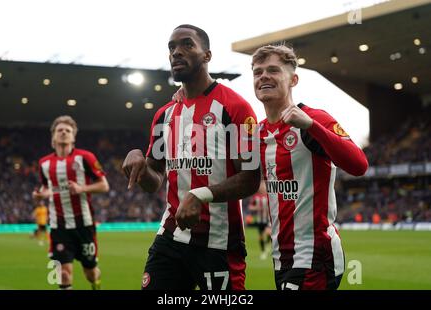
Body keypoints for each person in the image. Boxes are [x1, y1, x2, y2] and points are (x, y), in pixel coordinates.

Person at [122, 24, 260, 290]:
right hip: (171, 238)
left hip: (219, 243)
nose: (176, 52)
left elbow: (251, 179)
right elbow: (154, 181)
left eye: (187, 45)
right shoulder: (164, 116)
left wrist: (201, 194)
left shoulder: (236, 108)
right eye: (172, 48)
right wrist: (137, 161)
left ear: (207, 56)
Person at [252, 45, 368, 290]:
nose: (263, 76)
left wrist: (312, 126)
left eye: (273, 70)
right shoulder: (258, 133)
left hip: (315, 255)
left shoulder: (314, 118)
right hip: (281, 256)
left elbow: (359, 165)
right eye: (257, 72)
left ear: (293, 79)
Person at [32, 115, 109, 290]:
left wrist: (82, 189)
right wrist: (40, 195)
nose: (64, 133)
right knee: (64, 273)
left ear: (73, 137)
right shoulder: (44, 163)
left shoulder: (86, 157)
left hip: (84, 225)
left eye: (68, 130)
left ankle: (96, 284)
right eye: (60, 130)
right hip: (59, 227)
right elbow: (46, 188)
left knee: (90, 273)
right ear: (53, 137)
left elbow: (104, 186)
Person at [248, 180, 271, 260]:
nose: (262, 188)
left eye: (263, 186)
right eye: (261, 186)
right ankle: (263, 250)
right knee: (261, 236)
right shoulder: (256, 197)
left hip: (268, 219)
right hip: (260, 219)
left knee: (268, 232)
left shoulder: (269, 196)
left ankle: (267, 245)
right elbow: (250, 207)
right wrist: (256, 208)